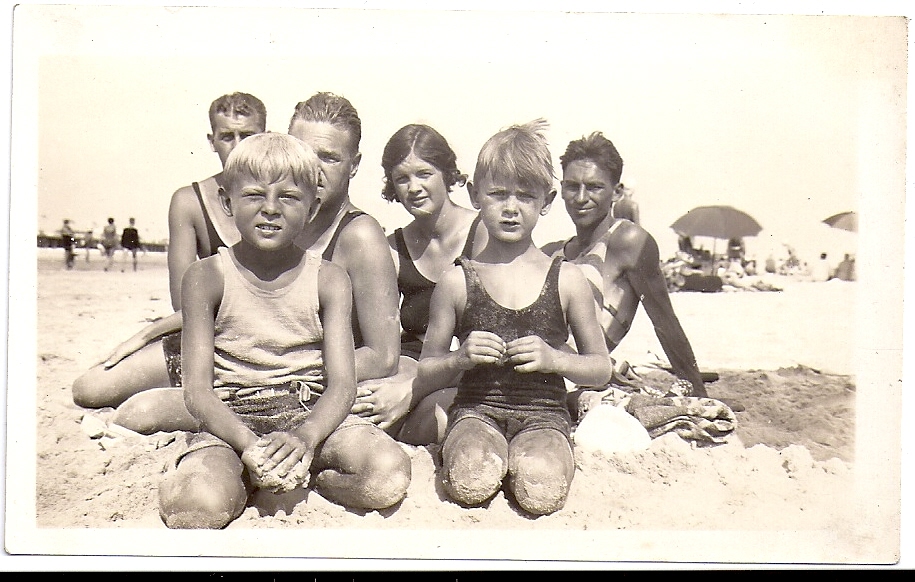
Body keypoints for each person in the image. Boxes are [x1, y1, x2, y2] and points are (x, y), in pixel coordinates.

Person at [158, 132, 410, 529]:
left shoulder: (329, 279)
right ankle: (243, 479)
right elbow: (198, 392)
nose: (271, 209)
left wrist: (306, 438)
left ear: (312, 208)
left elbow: (342, 384)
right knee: (195, 508)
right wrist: (249, 446)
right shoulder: (205, 277)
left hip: (308, 409)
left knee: (386, 474)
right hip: (232, 417)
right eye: (254, 195)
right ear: (226, 202)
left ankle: (307, 479)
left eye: (289, 197)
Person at [417, 120, 612, 516]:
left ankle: (528, 459)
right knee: (470, 476)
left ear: (547, 200)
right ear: (474, 194)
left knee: (541, 486)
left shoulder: (567, 279)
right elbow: (426, 369)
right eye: (498, 194)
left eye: (525, 195)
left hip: (545, 416)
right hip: (476, 411)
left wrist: (554, 359)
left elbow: (600, 368)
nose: (511, 208)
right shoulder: (457, 282)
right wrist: (459, 358)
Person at [71, 92, 268, 415]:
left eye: (247, 135)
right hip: (211, 336)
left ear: (265, 136)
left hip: (276, 339)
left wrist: (146, 332)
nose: (237, 146)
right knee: (90, 388)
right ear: (212, 141)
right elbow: (183, 301)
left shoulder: (284, 194)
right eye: (227, 136)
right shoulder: (190, 202)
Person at [541, 131, 709, 399]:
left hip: (577, 381)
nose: (581, 198)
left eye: (594, 187)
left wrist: (696, 388)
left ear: (616, 192)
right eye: (572, 186)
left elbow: (663, 319)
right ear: (561, 189)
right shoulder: (551, 253)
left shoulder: (628, 243)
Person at [358, 124, 488, 445]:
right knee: (369, 400)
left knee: (442, 414)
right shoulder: (394, 248)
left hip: (471, 365)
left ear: (447, 173)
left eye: (424, 174)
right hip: (414, 362)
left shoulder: (483, 232)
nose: (413, 188)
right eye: (402, 178)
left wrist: (411, 390)